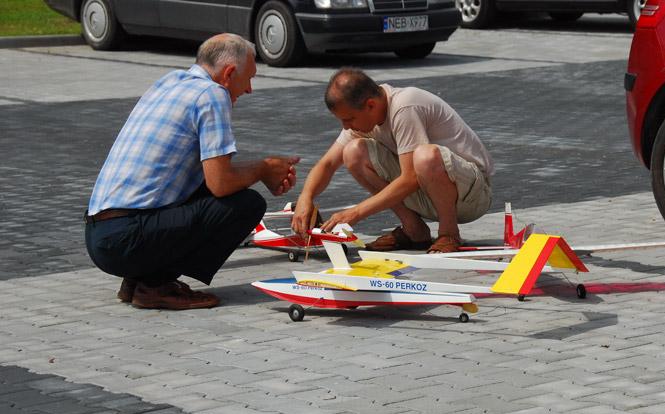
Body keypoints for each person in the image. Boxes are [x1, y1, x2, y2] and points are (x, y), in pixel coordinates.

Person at [85, 33, 298, 310]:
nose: (249, 90)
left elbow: (210, 178)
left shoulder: (169, 82)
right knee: (246, 204)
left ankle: (139, 279)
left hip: (100, 234)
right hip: (125, 238)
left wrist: (262, 169)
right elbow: (221, 184)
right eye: (249, 78)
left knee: (200, 187)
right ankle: (154, 285)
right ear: (230, 73)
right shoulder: (212, 94)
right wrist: (263, 169)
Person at [291, 68, 493, 254]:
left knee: (425, 156)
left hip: (471, 196)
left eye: (349, 119)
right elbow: (327, 164)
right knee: (353, 152)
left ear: (370, 105)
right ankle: (414, 230)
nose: (346, 127)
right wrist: (305, 197)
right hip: (431, 191)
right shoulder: (364, 118)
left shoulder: (404, 105)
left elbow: (410, 179)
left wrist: (354, 214)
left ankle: (449, 234)